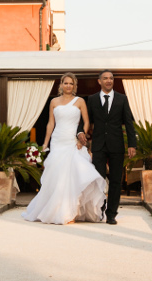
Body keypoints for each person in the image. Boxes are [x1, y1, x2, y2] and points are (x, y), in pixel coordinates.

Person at [21, 73, 106, 225]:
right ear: (61, 85)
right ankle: (56, 210)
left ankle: (71, 212)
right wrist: (45, 143)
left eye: (71, 84)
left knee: (73, 175)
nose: (68, 86)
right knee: (58, 176)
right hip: (58, 141)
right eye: (65, 83)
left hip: (73, 142)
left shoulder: (80, 101)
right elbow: (50, 124)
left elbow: (86, 122)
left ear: (74, 86)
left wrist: (82, 138)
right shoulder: (53, 101)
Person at [78, 70, 137, 225]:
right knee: (98, 180)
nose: (109, 80)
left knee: (116, 181)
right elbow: (85, 119)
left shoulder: (122, 99)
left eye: (111, 78)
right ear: (99, 81)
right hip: (98, 146)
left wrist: (132, 144)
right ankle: (100, 210)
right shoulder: (92, 99)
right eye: (105, 78)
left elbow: (129, 123)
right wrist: (80, 132)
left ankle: (111, 214)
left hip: (117, 145)